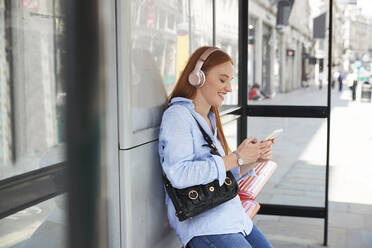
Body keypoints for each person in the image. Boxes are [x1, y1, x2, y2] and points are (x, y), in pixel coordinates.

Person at [158, 46, 274, 248]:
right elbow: (179, 174)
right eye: (222, 80)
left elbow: (222, 174)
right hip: (205, 226)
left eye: (230, 81)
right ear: (197, 77)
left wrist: (252, 159)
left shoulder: (209, 118)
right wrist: (236, 157)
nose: (229, 88)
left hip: (232, 218)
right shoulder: (177, 116)